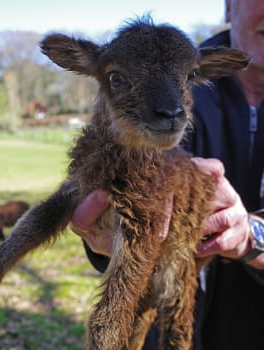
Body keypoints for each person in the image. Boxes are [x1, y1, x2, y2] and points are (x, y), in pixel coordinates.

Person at [70, 0, 264, 349]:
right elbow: (107, 184)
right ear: (229, 6)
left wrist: (252, 236)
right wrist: (106, 237)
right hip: (166, 329)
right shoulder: (158, 77)